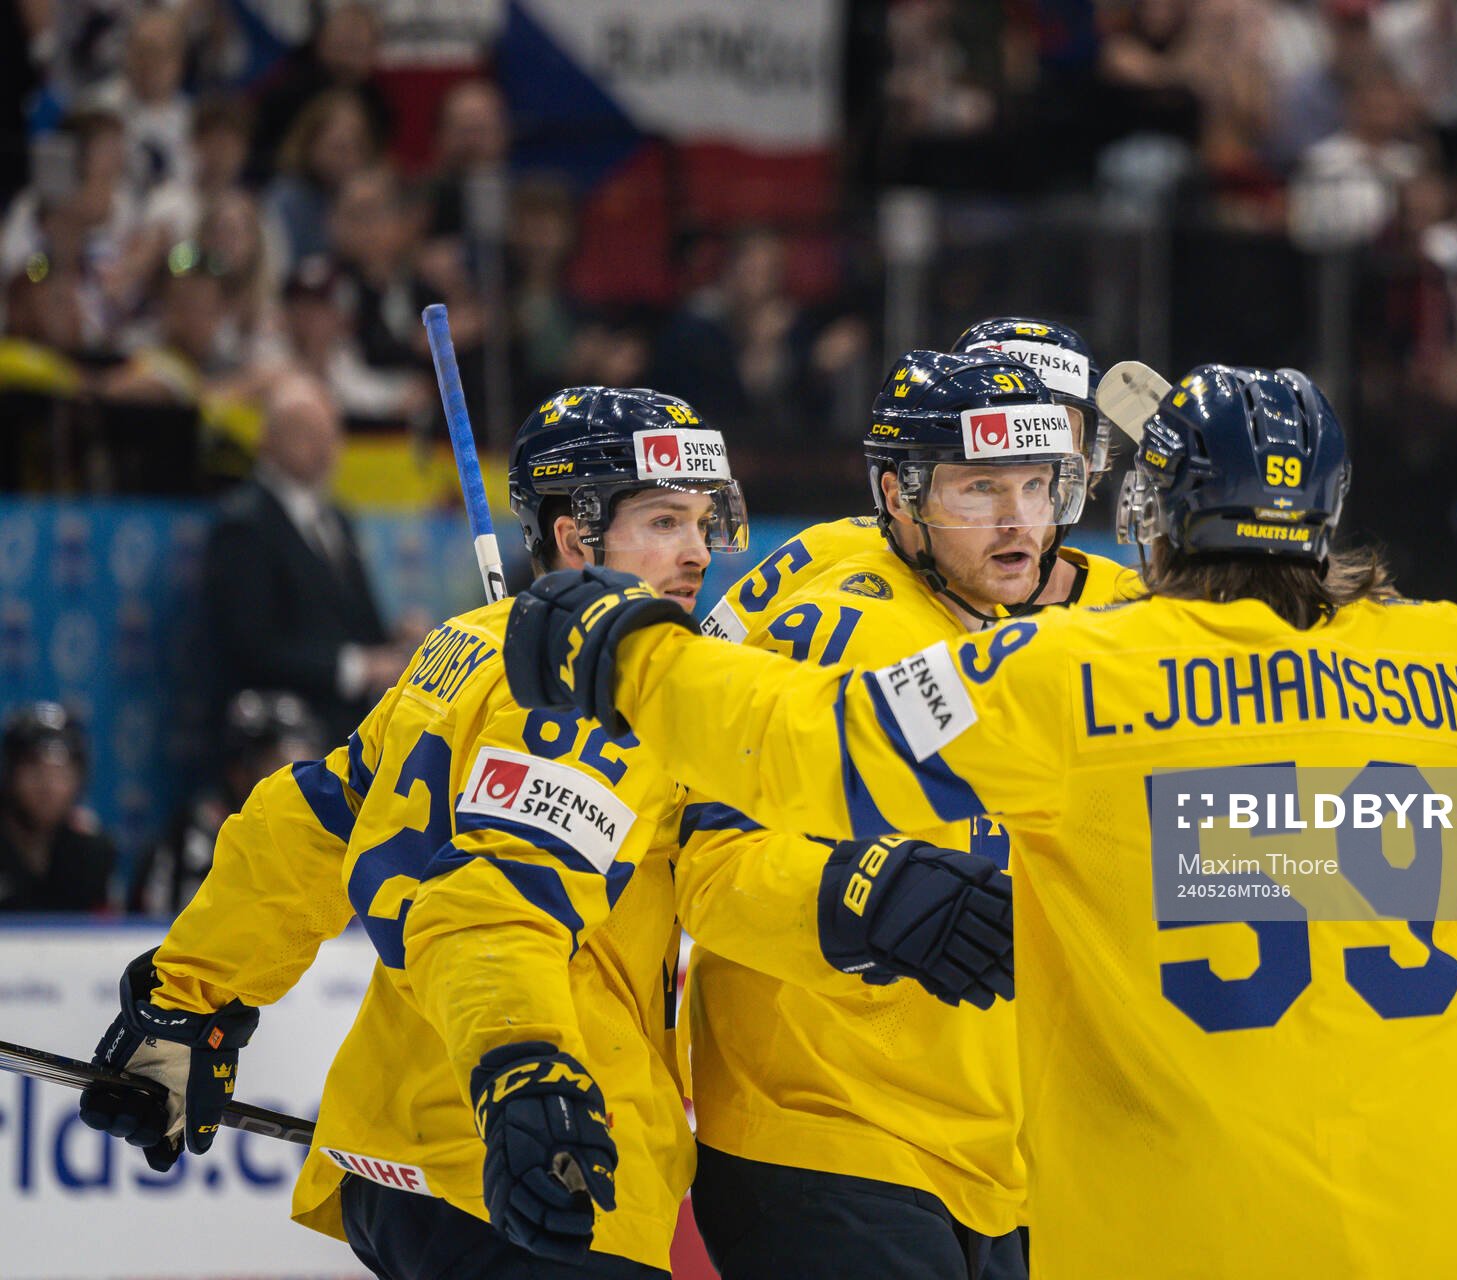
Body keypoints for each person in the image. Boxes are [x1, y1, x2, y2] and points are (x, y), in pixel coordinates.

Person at [503, 364, 1457, 1278]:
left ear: (1148, 516)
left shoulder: (1078, 673)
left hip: (1188, 1225)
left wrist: (625, 652)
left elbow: (807, 743)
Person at [78, 387, 917, 1278]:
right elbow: (498, 911)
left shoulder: (465, 645)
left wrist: (184, 1001)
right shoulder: (619, 695)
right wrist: (524, 1076)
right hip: (532, 1156)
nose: (697, 553)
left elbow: (307, 825)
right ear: (573, 537)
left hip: (397, 1156)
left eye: (705, 523)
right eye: (665, 521)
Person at [677, 343, 1130, 1280]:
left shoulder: (1020, 629)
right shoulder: (858, 630)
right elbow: (711, 861)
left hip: (984, 1153)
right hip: (825, 1135)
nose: (1018, 522)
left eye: (1038, 487)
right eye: (979, 490)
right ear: (899, 496)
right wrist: (863, 898)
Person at [700, 315, 1121, 643]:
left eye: (1034, 473)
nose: (1016, 445)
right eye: (983, 483)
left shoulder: (1126, 597)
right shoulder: (830, 558)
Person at [201, 374, 412, 741]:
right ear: (268, 439)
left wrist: (395, 640)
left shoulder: (339, 519)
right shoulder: (244, 524)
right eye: (307, 432)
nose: (324, 445)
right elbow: (251, 647)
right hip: (278, 730)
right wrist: (356, 668)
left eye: (331, 431)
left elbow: (353, 621)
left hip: (352, 726)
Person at [134, 690, 326, 919]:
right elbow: (191, 922)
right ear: (240, 770)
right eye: (279, 764)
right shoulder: (204, 828)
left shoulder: (320, 830)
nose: (297, 780)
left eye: (305, 765)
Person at [0, 702, 117, 913]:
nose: (48, 787)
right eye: (34, 770)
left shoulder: (92, 855)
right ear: (10, 775)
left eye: (61, 773)